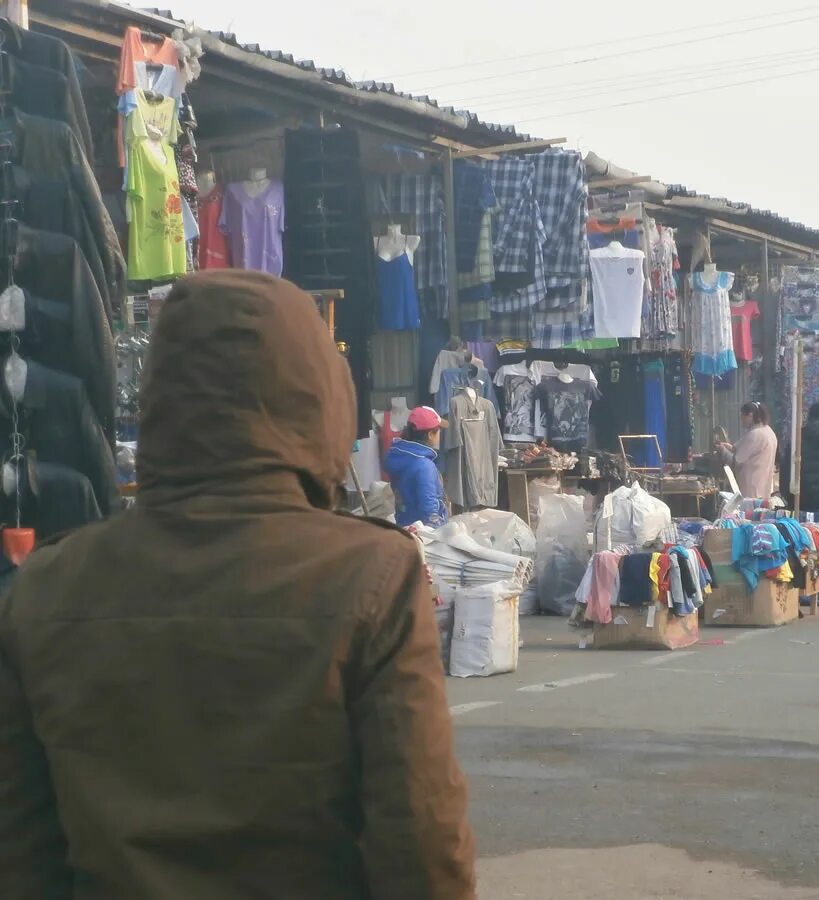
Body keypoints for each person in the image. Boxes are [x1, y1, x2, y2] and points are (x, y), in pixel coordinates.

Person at [0, 272, 477, 898]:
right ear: (318, 399)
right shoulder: (372, 577)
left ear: (158, 399)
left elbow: (22, 851)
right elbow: (421, 844)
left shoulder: (43, 589)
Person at [386, 405, 450, 527]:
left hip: (404, 525)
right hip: (423, 534)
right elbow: (429, 509)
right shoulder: (424, 466)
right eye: (438, 430)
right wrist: (437, 530)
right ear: (430, 434)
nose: (440, 434)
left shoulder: (401, 457)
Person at [718, 401, 779, 500]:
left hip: (751, 487)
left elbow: (735, 462)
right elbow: (740, 449)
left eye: (742, 417)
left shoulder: (755, 434)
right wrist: (728, 447)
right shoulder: (768, 431)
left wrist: (722, 451)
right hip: (764, 486)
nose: (741, 420)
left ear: (750, 416)